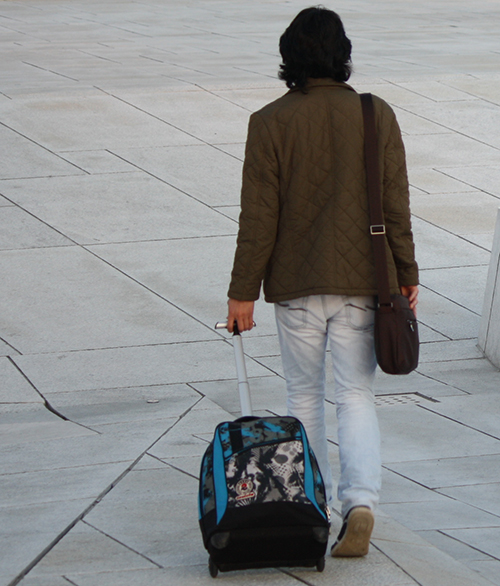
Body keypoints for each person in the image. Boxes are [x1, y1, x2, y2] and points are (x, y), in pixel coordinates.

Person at [226, 6, 418, 558]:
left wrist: (242, 292)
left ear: (289, 58)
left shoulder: (268, 121)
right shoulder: (375, 114)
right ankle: (361, 502)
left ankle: (312, 505)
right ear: (343, 55)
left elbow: (258, 216)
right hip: (364, 281)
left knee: (304, 397)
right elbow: (396, 204)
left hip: (296, 284)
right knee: (355, 395)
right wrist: (407, 272)